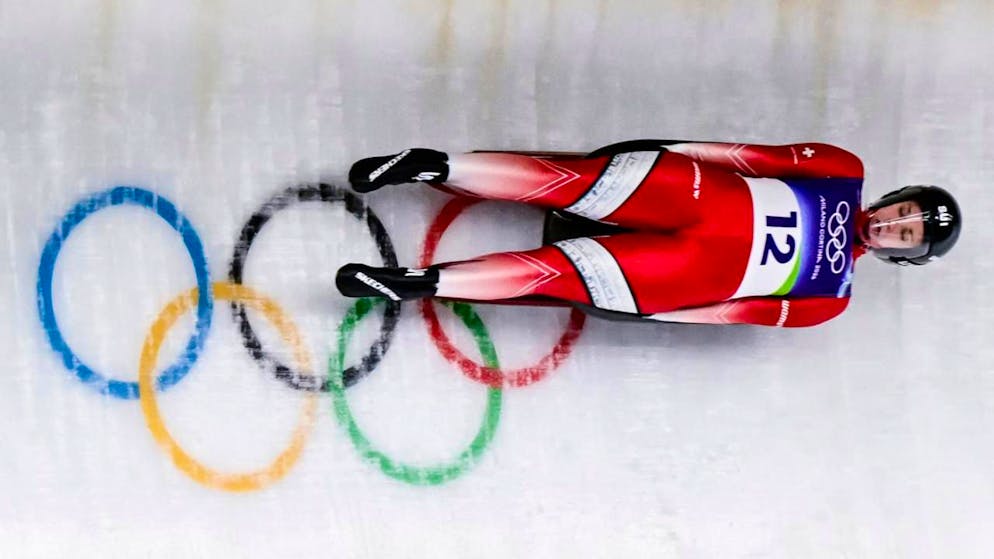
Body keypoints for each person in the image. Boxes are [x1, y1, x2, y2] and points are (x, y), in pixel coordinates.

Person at [335, 139, 961, 327]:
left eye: (906, 236)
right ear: (896, 196)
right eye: (903, 212)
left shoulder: (830, 298)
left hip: (681, 272)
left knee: (556, 271)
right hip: (696, 193)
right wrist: (669, 151)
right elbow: (752, 158)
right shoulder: (843, 169)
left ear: (902, 254)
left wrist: (655, 312)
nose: (893, 226)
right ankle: (435, 166)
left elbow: (728, 312)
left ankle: (418, 282)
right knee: (570, 182)